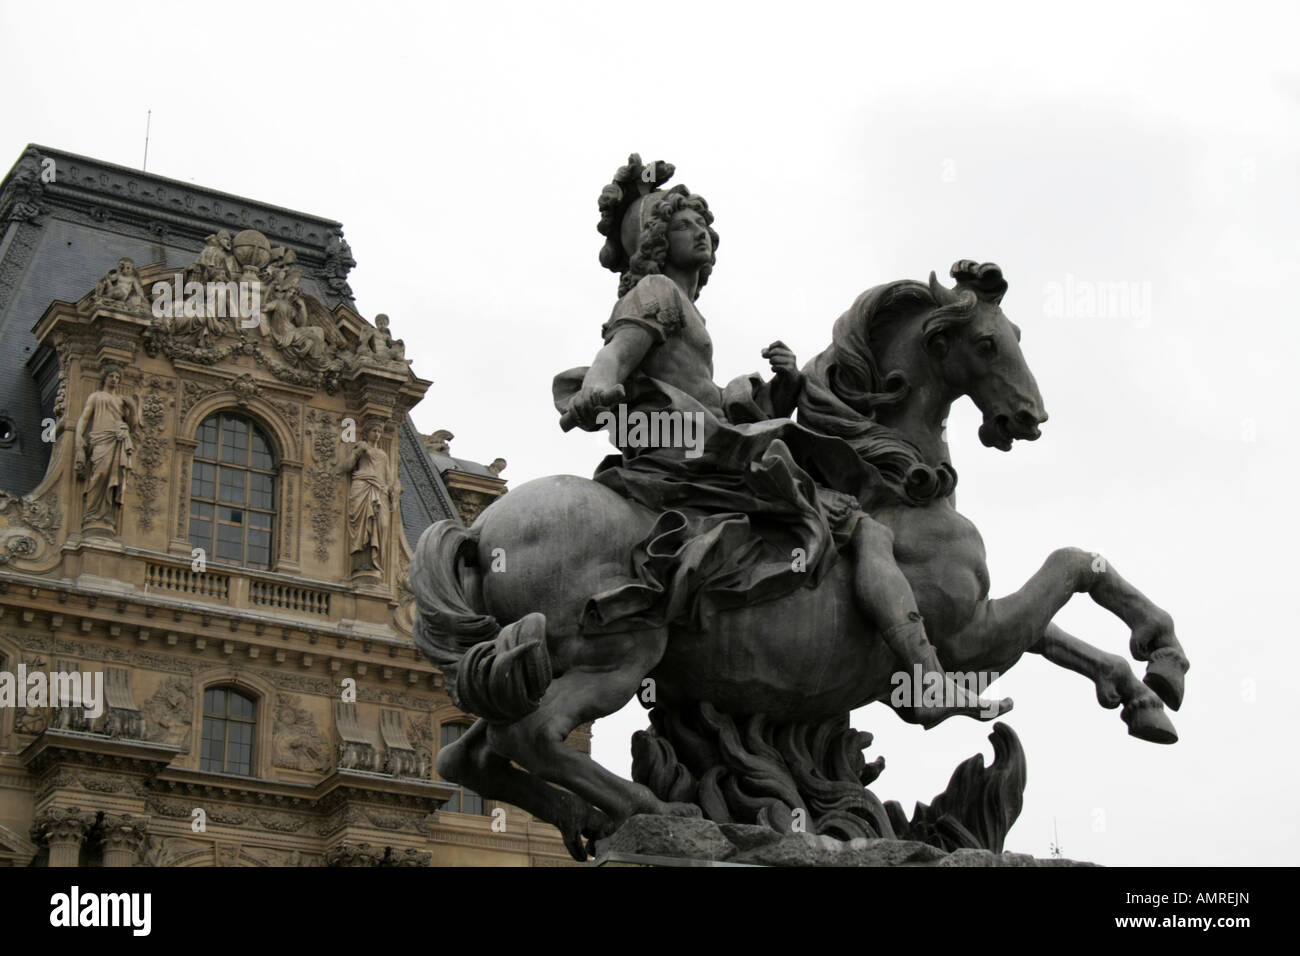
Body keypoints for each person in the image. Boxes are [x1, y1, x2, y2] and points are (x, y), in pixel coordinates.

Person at [555, 155, 1003, 726]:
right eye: (685, 223)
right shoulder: (658, 293)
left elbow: (702, 396)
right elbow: (615, 354)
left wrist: (783, 388)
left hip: (698, 442)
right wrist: (596, 388)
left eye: (703, 223)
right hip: (683, 450)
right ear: (657, 241)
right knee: (861, 525)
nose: (702, 232)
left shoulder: (686, 308)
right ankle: (925, 673)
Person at [74, 366, 136, 529]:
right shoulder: (96, 396)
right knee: (99, 474)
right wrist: (78, 437)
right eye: (111, 376)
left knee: (113, 477)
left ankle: (105, 515)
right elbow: (84, 417)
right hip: (100, 439)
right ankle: (92, 513)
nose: (114, 379)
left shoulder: (122, 401)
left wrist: (133, 408)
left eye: (117, 377)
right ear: (105, 378)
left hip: (116, 439)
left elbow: (133, 426)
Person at [335, 422, 396, 573]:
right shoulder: (362, 446)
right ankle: (361, 560)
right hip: (362, 487)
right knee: (361, 525)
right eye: (374, 430)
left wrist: (390, 492)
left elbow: (389, 477)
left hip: (379, 490)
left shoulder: (383, 454)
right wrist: (356, 453)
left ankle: (374, 562)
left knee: (382, 525)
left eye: (379, 431)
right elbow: (346, 467)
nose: (377, 434)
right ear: (367, 432)